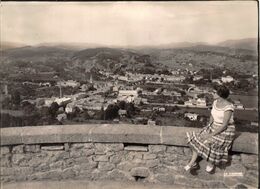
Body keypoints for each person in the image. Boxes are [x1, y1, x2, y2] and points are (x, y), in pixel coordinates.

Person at [185, 85, 236, 173]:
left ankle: (211, 162)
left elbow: (224, 125)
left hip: (225, 130)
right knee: (198, 138)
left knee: (209, 141)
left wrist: (210, 135)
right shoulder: (215, 102)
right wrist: (208, 127)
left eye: (214, 92)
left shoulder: (229, 107)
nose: (212, 94)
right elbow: (212, 116)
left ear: (220, 94)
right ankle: (192, 163)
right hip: (214, 126)